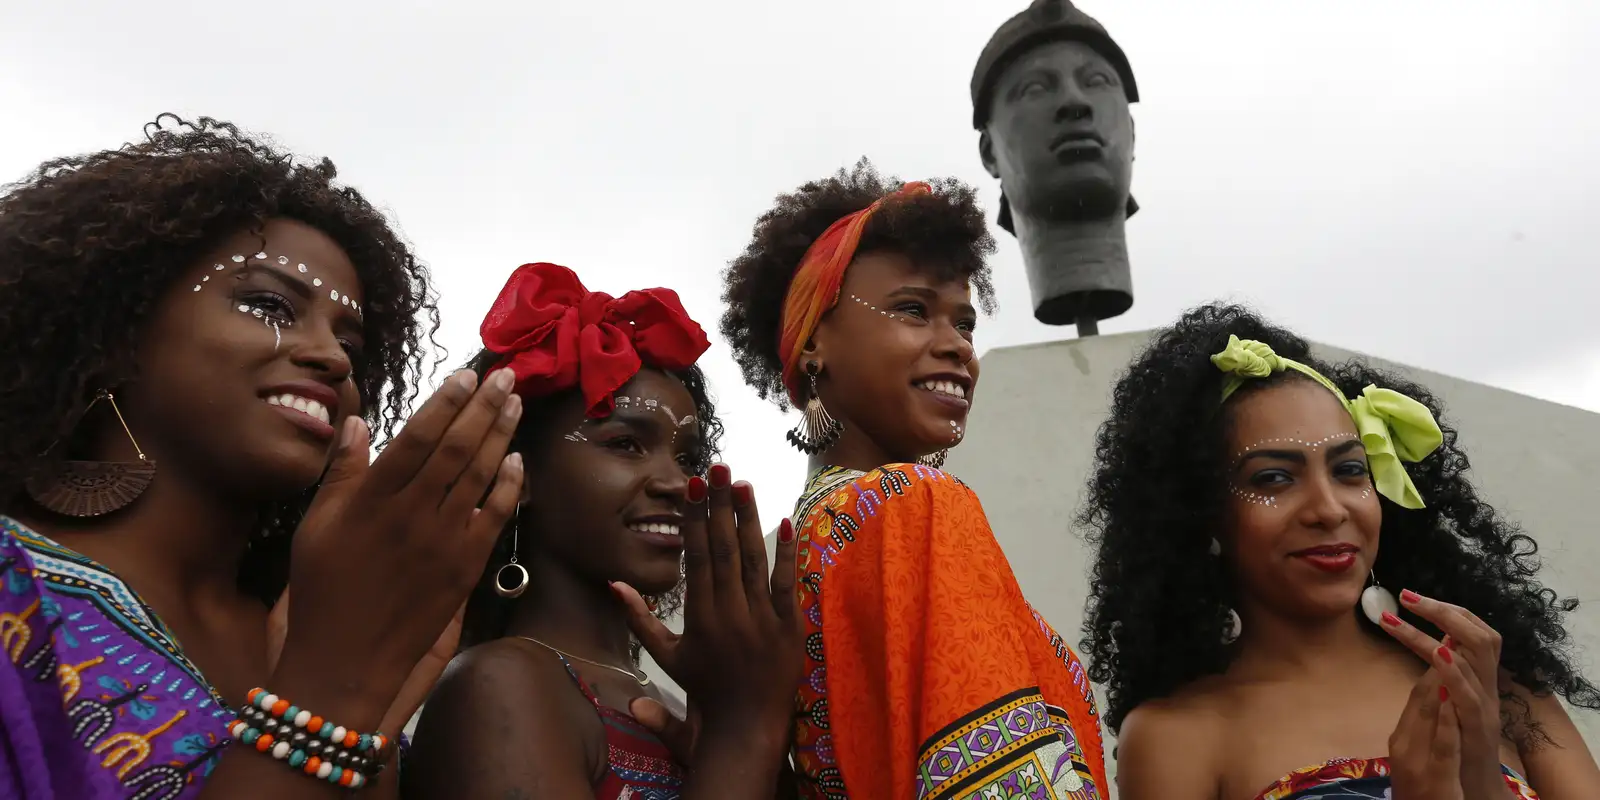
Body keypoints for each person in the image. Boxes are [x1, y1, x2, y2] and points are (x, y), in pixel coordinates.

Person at [0, 115, 522, 799]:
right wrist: (330, 687)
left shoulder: (312, 621)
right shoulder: (16, 590)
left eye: (353, 347)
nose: (332, 357)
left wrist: (364, 709)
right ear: (114, 334)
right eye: (270, 304)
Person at [1078, 303, 1600, 799]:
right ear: (1200, 513)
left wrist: (1484, 780)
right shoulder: (1176, 738)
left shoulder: (1496, 687)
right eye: (1274, 478)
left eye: (1350, 470)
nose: (1328, 509)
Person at [719, 159, 1110, 800]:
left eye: (964, 323)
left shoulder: (812, 537)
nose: (957, 345)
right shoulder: (914, 506)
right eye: (911, 310)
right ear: (814, 341)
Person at [402, 262, 803, 799]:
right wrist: (748, 732)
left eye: (688, 457)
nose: (677, 483)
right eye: (624, 444)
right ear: (516, 474)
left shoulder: (683, 704)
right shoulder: (500, 684)